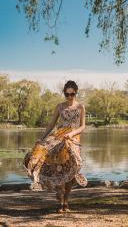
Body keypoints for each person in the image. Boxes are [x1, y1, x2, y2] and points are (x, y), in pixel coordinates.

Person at [23, 80, 87, 213]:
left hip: (73, 138)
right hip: (59, 136)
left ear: (76, 93)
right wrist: (41, 138)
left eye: (72, 94)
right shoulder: (59, 106)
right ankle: (61, 200)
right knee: (55, 165)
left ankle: (66, 202)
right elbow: (51, 125)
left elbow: (82, 126)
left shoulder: (81, 107)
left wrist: (72, 134)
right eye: (67, 94)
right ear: (64, 93)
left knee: (73, 167)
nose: (69, 97)